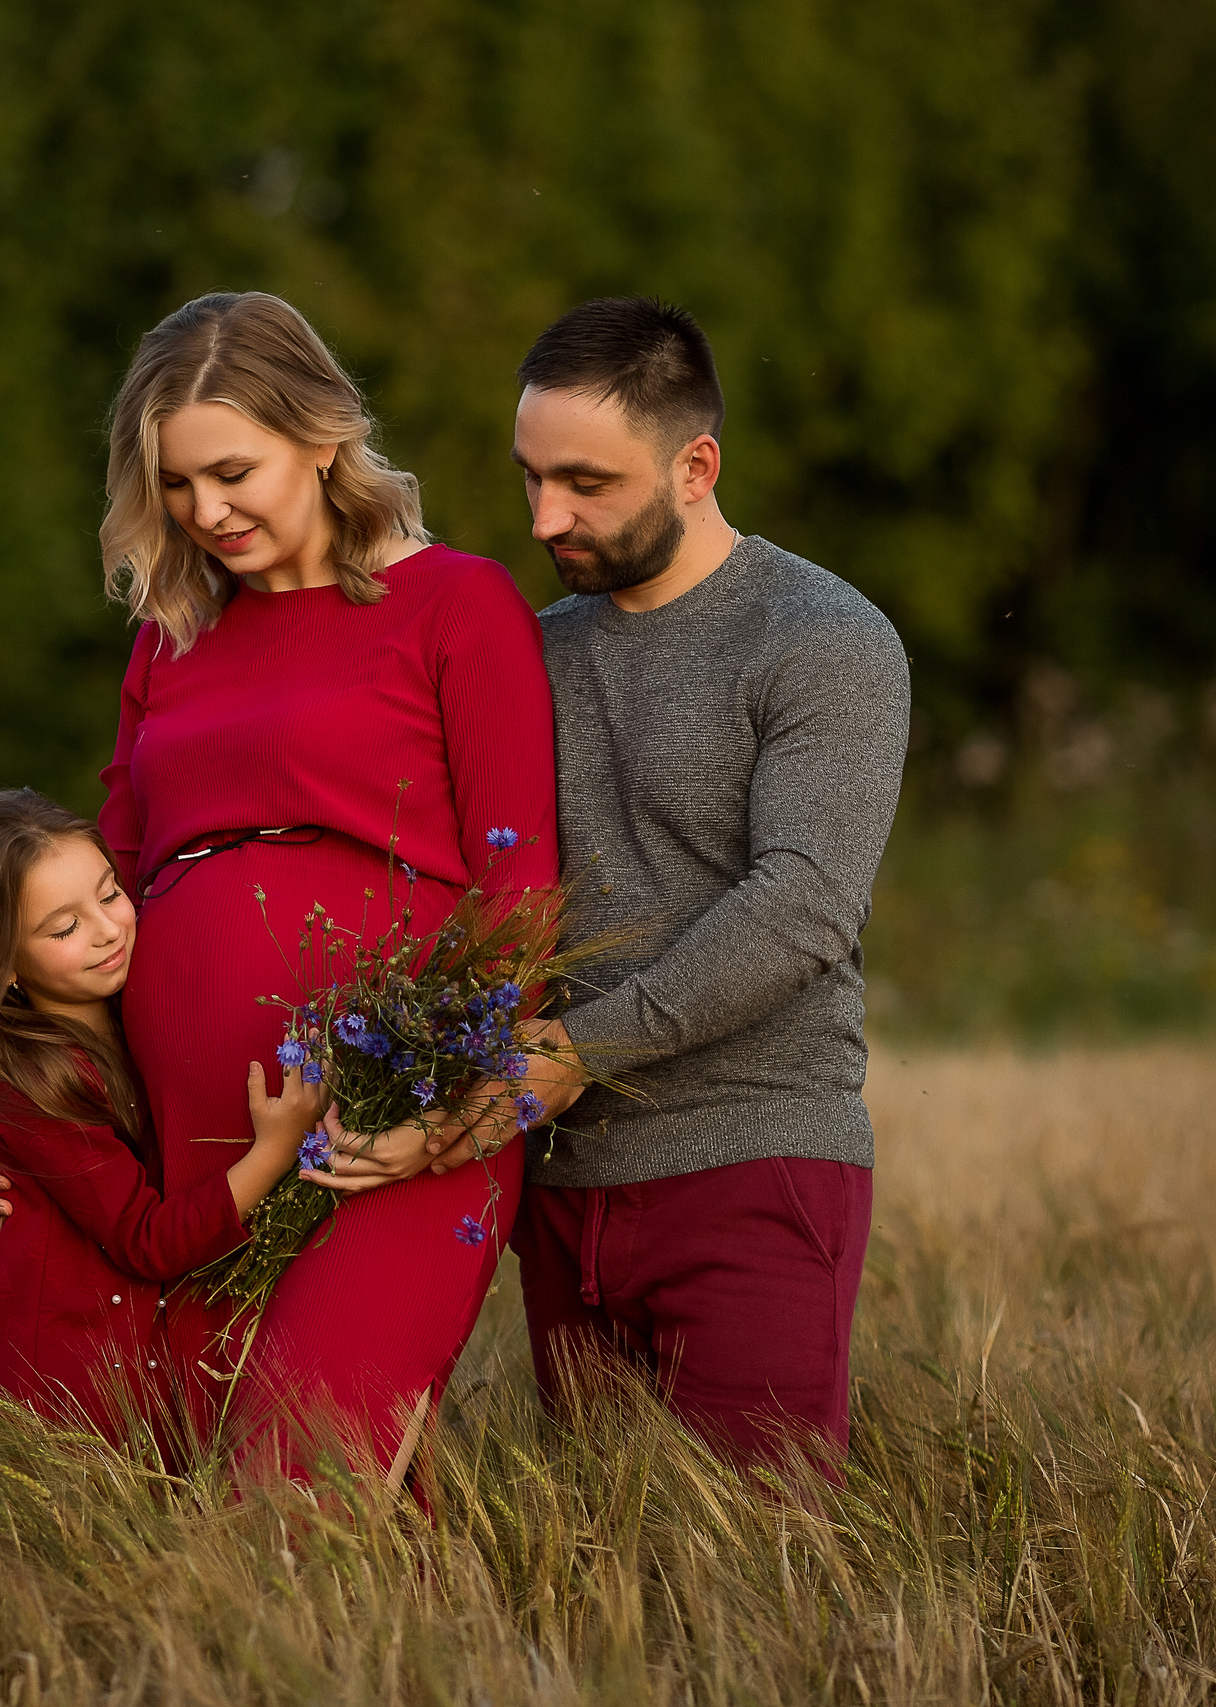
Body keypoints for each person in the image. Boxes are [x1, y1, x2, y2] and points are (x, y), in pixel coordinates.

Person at [0, 293, 560, 1480]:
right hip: (192, 1142)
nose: (203, 512)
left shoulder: (457, 605)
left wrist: (431, 1100)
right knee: (200, 1464)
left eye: (231, 471)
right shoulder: (171, 637)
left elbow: (518, 882)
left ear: (322, 436)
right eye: (174, 486)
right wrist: (12, 1117)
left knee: (302, 1455)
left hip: (396, 1113)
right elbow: (92, 883)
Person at [420, 297, 909, 1473]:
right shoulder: (529, 649)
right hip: (560, 1183)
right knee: (597, 1568)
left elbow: (801, 903)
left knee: (757, 1577)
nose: (545, 516)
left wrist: (574, 1054)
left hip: (754, 1166)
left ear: (696, 466)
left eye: (585, 482)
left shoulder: (822, 638)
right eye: (531, 477)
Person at [0, 787, 323, 1445]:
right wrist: (274, 1149)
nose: (106, 929)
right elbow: (146, 1239)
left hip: (119, 1369)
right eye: (63, 927)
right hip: (51, 1391)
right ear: (2, 964)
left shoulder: (135, 1014)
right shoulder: (35, 1092)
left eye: (111, 893)